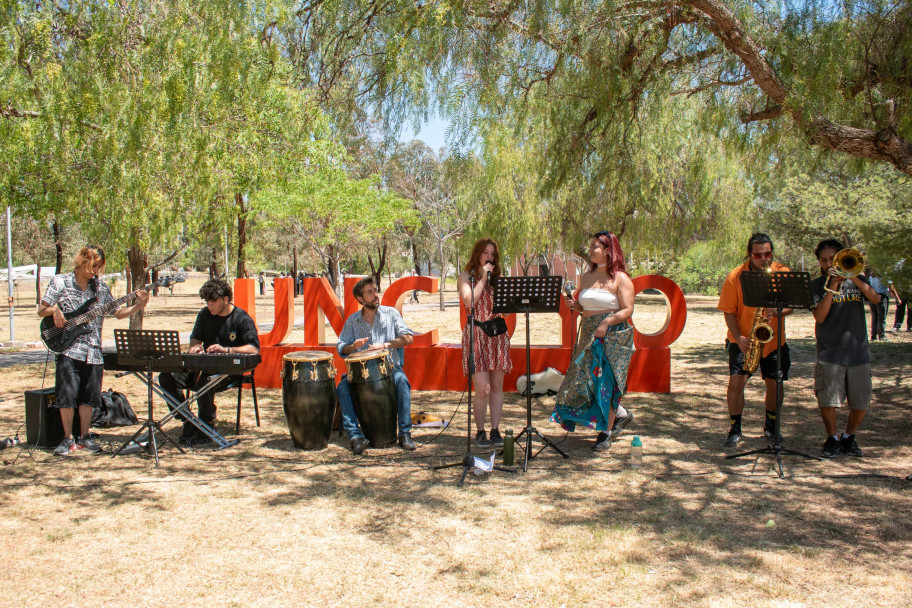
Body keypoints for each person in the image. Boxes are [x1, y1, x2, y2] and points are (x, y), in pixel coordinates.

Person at [38, 245, 150, 456]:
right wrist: (55, 310)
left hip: (93, 351)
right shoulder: (60, 282)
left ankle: (84, 437)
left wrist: (138, 306)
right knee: (67, 396)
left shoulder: (100, 289)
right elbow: (41, 309)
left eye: (99, 266)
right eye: (93, 265)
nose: (96, 270)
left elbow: (118, 312)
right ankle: (67, 439)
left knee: (90, 397)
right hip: (68, 348)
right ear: (81, 260)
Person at [551, 231, 635, 452]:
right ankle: (622, 414)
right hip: (588, 334)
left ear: (609, 250)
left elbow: (628, 309)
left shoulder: (621, 278)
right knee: (586, 380)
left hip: (611, 336)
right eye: (590, 246)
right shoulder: (586, 277)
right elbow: (583, 307)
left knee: (605, 381)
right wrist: (574, 305)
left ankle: (605, 433)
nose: (590, 250)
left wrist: (607, 322)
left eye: (594, 246)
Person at [159, 279, 260, 443]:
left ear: (225, 299)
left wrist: (227, 350)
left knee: (204, 380)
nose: (209, 305)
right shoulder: (204, 314)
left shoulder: (241, 318)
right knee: (166, 377)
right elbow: (195, 340)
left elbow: (254, 349)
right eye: (207, 301)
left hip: (227, 372)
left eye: (213, 301)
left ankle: (206, 424)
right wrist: (197, 348)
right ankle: (187, 419)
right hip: (200, 367)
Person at [717, 233, 793, 448]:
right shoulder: (735, 276)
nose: (764, 259)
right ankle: (735, 428)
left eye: (768, 254)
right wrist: (738, 337)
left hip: (774, 340)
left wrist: (776, 311)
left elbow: (790, 306)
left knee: (775, 384)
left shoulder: (781, 272)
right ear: (749, 254)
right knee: (736, 384)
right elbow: (728, 311)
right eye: (758, 255)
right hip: (744, 339)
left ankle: (771, 425)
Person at [811, 240, 882, 458]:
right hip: (830, 351)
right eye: (824, 260)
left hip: (857, 351)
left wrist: (853, 277)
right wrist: (832, 285)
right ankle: (831, 438)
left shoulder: (858, 280)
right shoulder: (817, 285)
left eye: (833, 258)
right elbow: (820, 316)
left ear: (841, 256)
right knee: (828, 401)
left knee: (861, 403)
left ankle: (849, 437)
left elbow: (876, 299)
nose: (829, 263)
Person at [336, 277, 416, 454]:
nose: (375, 295)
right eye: (370, 292)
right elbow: (341, 347)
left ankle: (404, 434)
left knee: (402, 381)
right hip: (361, 374)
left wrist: (387, 344)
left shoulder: (391, 314)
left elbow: (408, 337)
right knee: (342, 387)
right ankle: (355, 436)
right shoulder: (352, 321)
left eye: (375, 290)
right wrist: (352, 346)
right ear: (360, 299)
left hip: (388, 369)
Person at [457, 238, 513, 449]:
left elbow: (506, 312)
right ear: (477, 254)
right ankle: (480, 431)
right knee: (482, 388)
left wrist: (509, 298)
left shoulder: (499, 280)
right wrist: (482, 278)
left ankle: (495, 430)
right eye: (485, 253)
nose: (489, 257)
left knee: (497, 386)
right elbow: (470, 302)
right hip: (476, 335)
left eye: (492, 254)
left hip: (497, 335)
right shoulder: (465, 277)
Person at [866, 268, 890, 341]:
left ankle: (873, 336)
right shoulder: (885, 275)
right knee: (882, 317)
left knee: (874, 316)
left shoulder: (871, 276)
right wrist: (897, 298)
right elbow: (891, 286)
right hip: (881, 296)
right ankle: (882, 336)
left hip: (872, 296)